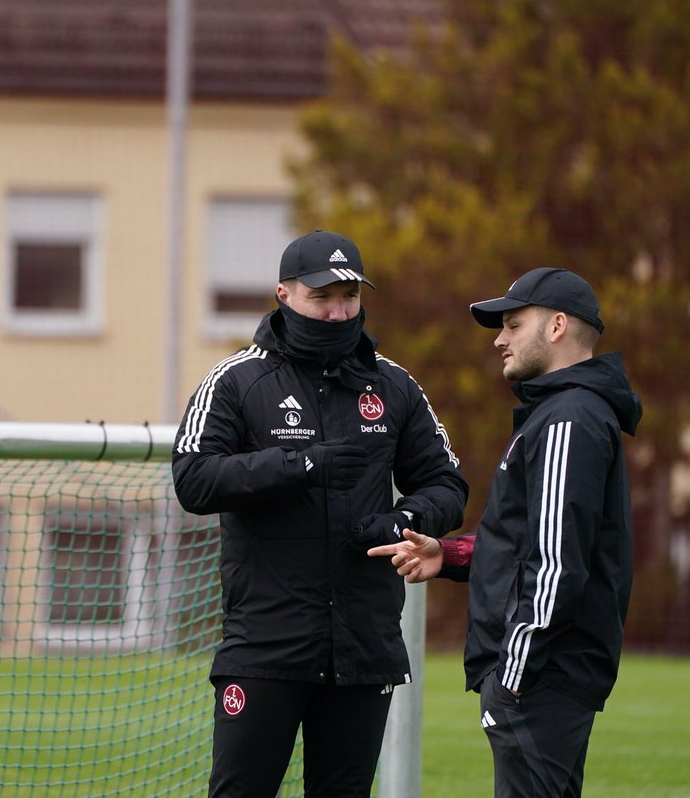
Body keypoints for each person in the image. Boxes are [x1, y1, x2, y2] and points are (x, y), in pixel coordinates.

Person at [172, 229, 469, 797]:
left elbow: (446, 482)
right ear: (283, 294)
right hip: (265, 647)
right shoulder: (236, 379)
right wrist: (300, 465)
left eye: (350, 297)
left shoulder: (395, 385)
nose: (337, 312)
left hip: (363, 650)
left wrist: (406, 519)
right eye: (322, 297)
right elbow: (193, 479)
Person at [369, 267, 642, 797]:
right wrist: (446, 555)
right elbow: (527, 540)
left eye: (514, 324)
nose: (500, 338)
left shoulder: (569, 419)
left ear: (558, 325)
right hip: (544, 678)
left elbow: (558, 563)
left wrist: (511, 678)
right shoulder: (561, 414)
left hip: (541, 678)